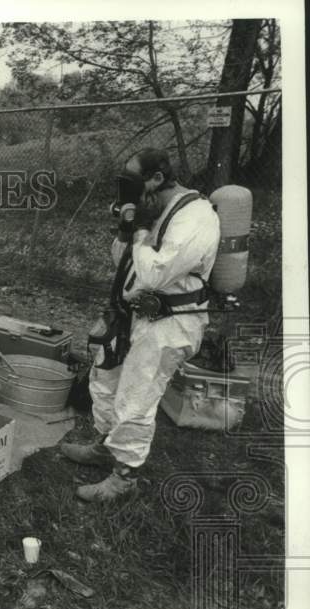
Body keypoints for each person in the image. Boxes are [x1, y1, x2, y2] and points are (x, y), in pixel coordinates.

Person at [61, 148, 220, 502]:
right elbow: (123, 262)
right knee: (106, 380)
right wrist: (127, 228)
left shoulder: (195, 216)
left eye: (133, 182)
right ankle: (106, 447)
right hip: (133, 316)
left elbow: (153, 273)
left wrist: (143, 227)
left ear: (157, 179)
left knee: (137, 397)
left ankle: (124, 478)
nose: (128, 191)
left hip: (168, 323)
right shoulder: (156, 210)